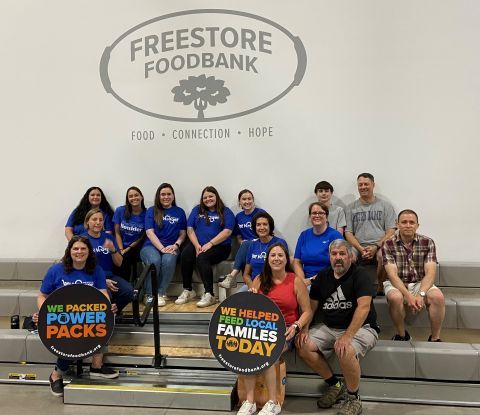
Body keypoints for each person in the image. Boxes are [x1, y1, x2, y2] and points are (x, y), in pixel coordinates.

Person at [297, 239, 378, 415]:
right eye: (334, 254)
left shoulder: (360, 274)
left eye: (342, 254)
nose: (338, 258)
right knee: (302, 345)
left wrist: (348, 336)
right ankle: (335, 385)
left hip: (362, 327)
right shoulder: (323, 276)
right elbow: (311, 307)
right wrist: (304, 329)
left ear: (350, 256)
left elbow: (364, 307)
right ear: (329, 256)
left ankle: (353, 398)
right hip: (329, 327)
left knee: (344, 349)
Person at [34, 236, 119, 397]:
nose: (79, 252)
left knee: (103, 324)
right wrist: (45, 313)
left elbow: (102, 293)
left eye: (83, 249)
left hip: (87, 316)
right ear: (69, 251)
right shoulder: (56, 270)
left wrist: (107, 308)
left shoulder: (96, 270)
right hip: (62, 318)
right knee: (71, 341)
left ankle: (96, 366)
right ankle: (56, 375)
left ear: (89, 252)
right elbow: (41, 296)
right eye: (76, 249)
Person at [237, 243, 312, 415]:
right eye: (273, 255)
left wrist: (297, 326)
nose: (276, 259)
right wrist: (251, 298)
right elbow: (250, 308)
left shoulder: (295, 280)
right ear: (267, 259)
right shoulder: (260, 279)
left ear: (286, 259)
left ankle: (273, 402)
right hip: (261, 327)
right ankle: (250, 402)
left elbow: (307, 311)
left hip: (287, 329)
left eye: (280, 255)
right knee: (245, 350)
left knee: (268, 351)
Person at [382, 209, 444, 341]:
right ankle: (402, 335)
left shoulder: (428, 242)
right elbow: (392, 275)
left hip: (420, 282)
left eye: (411, 222)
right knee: (394, 297)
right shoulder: (388, 244)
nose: (408, 225)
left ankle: (435, 338)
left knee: (437, 297)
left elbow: (430, 273)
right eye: (404, 222)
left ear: (417, 225)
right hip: (397, 283)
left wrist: (420, 294)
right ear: (397, 224)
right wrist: (408, 295)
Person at [176, 186, 235, 308]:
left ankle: (209, 294)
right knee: (186, 254)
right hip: (198, 244)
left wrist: (210, 244)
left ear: (216, 197)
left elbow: (227, 231)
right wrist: (197, 245)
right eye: (205, 197)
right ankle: (188, 290)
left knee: (202, 257)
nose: (208, 199)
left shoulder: (226, 211)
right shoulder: (197, 210)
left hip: (220, 247)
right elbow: (190, 229)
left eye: (211, 196)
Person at [345, 173, 396, 293]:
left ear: (373, 185)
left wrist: (376, 246)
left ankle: (380, 286)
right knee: (347, 257)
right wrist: (360, 248)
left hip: (379, 245)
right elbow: (348, 232)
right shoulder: (350, 208)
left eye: (366, 184)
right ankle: (350, 287)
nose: (363, 187)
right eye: (360, 185)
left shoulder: (385, 206)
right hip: (357, 246)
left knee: (383, 256)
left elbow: (391, 231)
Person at [140, 183, 187, 306]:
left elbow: (183, 233)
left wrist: (176, 245)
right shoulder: (152, 210)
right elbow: (149, 232)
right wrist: (161, 248)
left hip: (172, 246)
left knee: (169, 260)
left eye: (168, 194)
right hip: (151, 246)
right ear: (158, 196)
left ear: (173, 196)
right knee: (154, 260)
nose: (166, 197)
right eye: (163, 194)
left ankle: (160, 293)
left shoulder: (180, 212)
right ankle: (149, 294)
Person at [83, 208, 133, 314]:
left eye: (100, 220)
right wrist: (102, 281)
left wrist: (113, 250)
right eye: (94, 219)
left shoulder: (108, 237)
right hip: (89, 277)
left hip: (109, 275)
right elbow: (79, 267)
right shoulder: (82, 239)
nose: (98, 222)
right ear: (88, 221)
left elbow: (119, 263)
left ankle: (113, 312)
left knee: (129, 291)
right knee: (106, 296)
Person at [219, 189, 264, 289]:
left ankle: (232, 276)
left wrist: (253, 241)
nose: (247, 201)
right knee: (246, 244)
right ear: (240, 202)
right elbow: (239, 237)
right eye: (244, 199)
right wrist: (242, 242)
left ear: (253, 200)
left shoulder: (260, 213)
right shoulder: (238, 217)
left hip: (261, 245)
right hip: (247, 248)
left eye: (249, 199)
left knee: (247, 244)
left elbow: (267, 231)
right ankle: (248, 286)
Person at [293, 203, 343, 288]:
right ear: (310, 216)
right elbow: (297, 261)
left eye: (320, 213)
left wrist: (311, 280)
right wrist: (302, 281)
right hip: (306, 281)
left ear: (326, 216)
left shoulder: (335, 235)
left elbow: (339, 263)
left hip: (328, 279)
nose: (317, 215)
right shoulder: (304, 235)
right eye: (314, 213)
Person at [240, 212, 288, 291]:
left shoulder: (280, 243)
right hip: (254, 285)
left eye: (265, 224)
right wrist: (252, 286)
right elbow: (246, 274)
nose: (262, 227)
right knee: (236, 300)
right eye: (258, 225)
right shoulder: (252, 245)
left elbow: (285, 270)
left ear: (270, 226)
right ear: (254, 227)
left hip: (273, 285)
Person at [112, 186, 146, 281]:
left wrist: (128, 248)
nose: (134, 198)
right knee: (117, 258)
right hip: (121, 245)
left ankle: (129, 287)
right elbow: (117, 232)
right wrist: (121, 248)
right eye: (130, 196)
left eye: (136, 195)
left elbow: (143, 236)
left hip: (137, 247)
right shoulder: (120, 210)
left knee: (126, 258)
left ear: (141, 197)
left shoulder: (147, 213)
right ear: (127, 199)